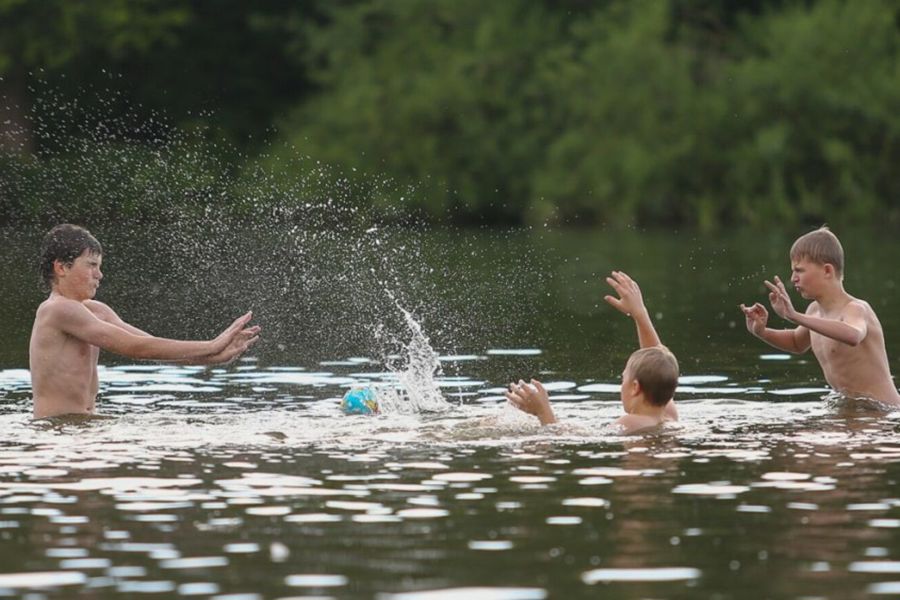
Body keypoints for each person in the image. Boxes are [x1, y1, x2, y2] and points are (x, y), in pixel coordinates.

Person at [29, 224, 261, 419]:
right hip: (56, 430)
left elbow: (149, 345)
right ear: (61, 267)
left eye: (99, 267)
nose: (99, 275)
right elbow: (135, 348)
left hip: (83, 427)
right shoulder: (57, 309)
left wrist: (211, 358)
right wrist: (211, 345)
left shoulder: (96, 310)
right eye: (91, 265)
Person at [740, 226, 900, 406]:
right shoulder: (813, 311)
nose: (793, 278)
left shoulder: (855, 309)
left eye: (799, 270)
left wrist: (794, 315)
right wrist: (762, 332)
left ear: (827, 271)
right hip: (850, 409)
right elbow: (796, 342)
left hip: (882, 413)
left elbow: (853, 335)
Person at [505, 271, 679, 435]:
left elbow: (562, 438)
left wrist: (543, 412)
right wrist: (639, 314)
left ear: (635, 387)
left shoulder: (629, 423)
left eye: (623, 378)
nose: (621, 384)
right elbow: (657, 361)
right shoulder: (668, 415)